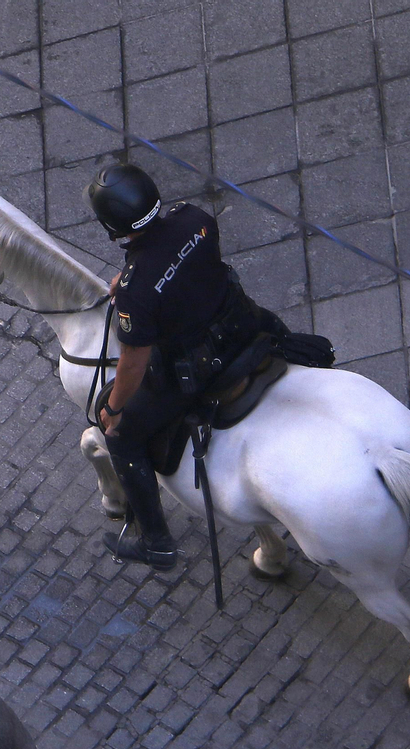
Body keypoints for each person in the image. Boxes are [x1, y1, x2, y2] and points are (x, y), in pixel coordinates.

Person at [86, 163, 334, 569]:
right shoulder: (194, 218)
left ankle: (156, 543)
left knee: (122, 438)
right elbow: (175, 264)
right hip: (245, 325)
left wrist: (112, 409)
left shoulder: (137, 291)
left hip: (200, 367)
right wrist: (130, 277)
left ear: (112, 225)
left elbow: (132, 363)